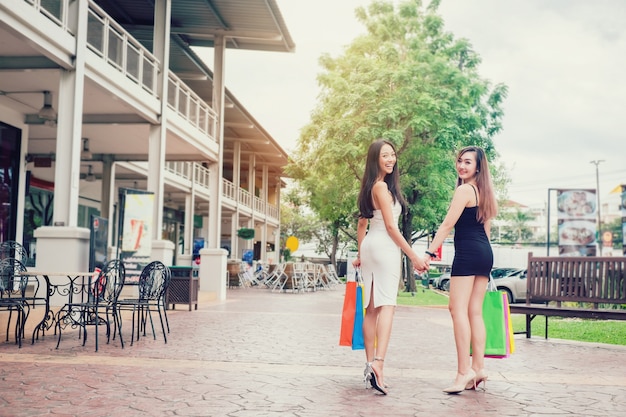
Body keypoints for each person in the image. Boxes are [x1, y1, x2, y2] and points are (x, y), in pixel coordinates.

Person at [352, 139, 428, 395]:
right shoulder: (382, 187)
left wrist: (361, 252)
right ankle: (379, 364)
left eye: (392, 155)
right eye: (385, 155)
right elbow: (392, 228)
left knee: (371, 308)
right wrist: (414, 257)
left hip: (370, 247)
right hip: (384, 247)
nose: (391, 159)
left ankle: (369, 365)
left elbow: (362, 225)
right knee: (387, 306)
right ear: (375, 159)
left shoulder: (368, 187)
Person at [423, 146, 498, 394]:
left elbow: (447, 224)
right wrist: (487, 260)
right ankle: (479, 369)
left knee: (457, 310)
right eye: (460, 161)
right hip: (484, 253)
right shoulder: (485, 192)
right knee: (474, 311)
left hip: (468, 254)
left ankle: (462, 372)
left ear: (478, 167)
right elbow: (485, 230)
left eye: (468, 162)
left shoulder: (464, 190)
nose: (462, 166)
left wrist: (429, 252)